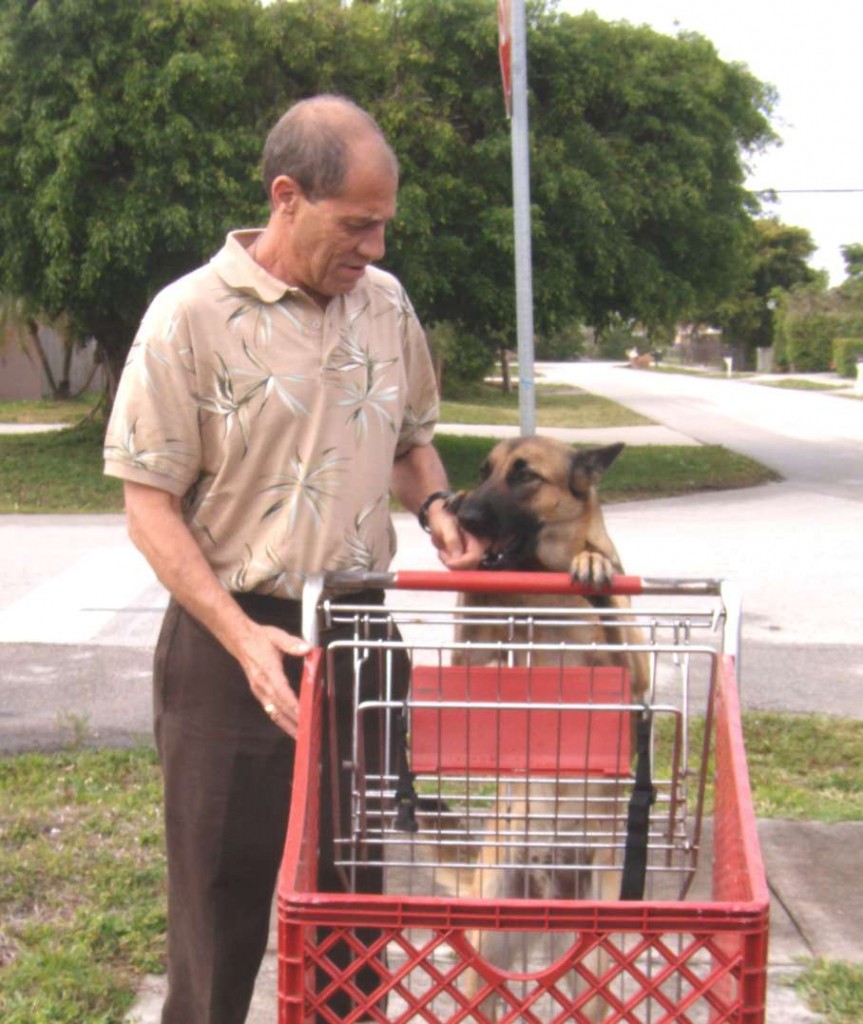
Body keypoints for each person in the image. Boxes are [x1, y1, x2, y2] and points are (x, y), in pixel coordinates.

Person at [104, 94, 484, 1024]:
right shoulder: (186, 317)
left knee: (355, 898)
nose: (377, 248)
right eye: (358, 224)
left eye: (385, 225)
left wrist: (435, 505)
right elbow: (148, 505)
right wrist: (242, 641)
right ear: (286, 197)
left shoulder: (385, 306)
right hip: (229, 640)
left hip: (359, 628)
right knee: (217, 908)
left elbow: (409, 440)